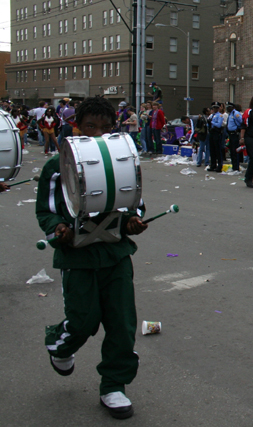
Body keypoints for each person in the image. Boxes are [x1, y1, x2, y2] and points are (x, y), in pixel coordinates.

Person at [35, 96, 148, 419]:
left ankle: (114, 385)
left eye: (105, 128)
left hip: (115, 256)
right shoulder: (55, 166)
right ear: (76, 127)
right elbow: (47, 211)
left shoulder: (121, 158)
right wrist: (58, 228)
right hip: (78, 259)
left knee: (121, 323)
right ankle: (61, 344)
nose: (98, 134)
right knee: (83, 321)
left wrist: (133, 222)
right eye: (90, 127)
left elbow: (134, 201)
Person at [208, 104, 225, 172]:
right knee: (212, 150)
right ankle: (213, 165)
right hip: (211, 132)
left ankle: (219, 166)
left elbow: (219, 124)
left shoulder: (220, 115)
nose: (214, 109)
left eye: (216, 108)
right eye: (213, 108)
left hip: (216, 133)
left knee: (218, 150)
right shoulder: (212, 115)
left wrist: (212, 122)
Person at [227, 103, 243, 172]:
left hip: (235, 133)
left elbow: (241, 122)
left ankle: (236, 167)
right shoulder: (230, 114)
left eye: (229, 107)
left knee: (235, 151)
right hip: (231, 134)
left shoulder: (236, 113)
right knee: (232, 151)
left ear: (232, 107)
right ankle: (234, 166)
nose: (227, 109)